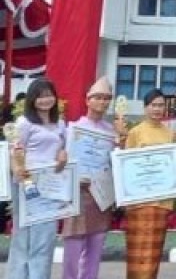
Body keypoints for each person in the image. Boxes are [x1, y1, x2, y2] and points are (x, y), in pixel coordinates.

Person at [6, 78, 68, 279]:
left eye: (48, 95)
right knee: (23, 239)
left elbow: (64, 149)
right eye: (40, 96)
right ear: (32, 99)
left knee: (45, 239)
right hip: (27, 185)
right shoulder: (24, 123)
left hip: (50, 187)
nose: (45, 100)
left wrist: (62, 155)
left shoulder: (60, 123)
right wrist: (17, 169)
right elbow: (14, 150)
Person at [62, 77, 115, 279]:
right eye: (98, 98)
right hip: (78, 193)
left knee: (96, 247)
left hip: (101, 196)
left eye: (106, 98)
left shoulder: (111, 132)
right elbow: (63, 162)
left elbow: (114, 164)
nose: (102, 102)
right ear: (87, 100)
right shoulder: (73, 128)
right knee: (73, 250)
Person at [124, 89, 176, 279]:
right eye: (153, 105)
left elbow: (172, 167)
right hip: (139, 202)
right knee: (136, 254)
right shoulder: (135, 133)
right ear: (145, 107)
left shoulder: (170, 134)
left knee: (154, 254)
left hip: (160, 202)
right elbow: (127, 167)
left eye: (161, 105)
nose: (157, 109)